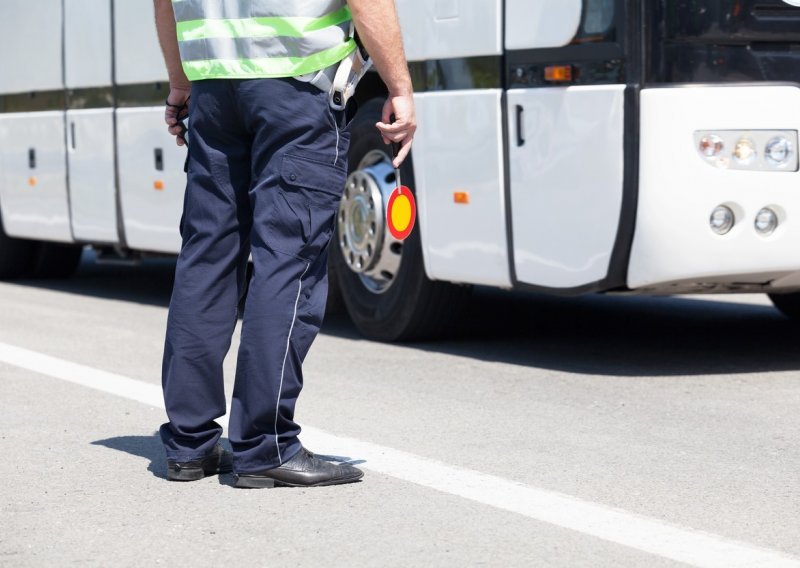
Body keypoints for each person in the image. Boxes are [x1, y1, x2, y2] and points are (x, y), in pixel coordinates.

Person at [153, 0, 416, 488]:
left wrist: (182, 83)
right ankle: (264, 443)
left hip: (213, 91)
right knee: (287, 261)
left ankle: (188, 444)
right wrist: (398, 85)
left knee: (206, 259)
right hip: (297, 92)